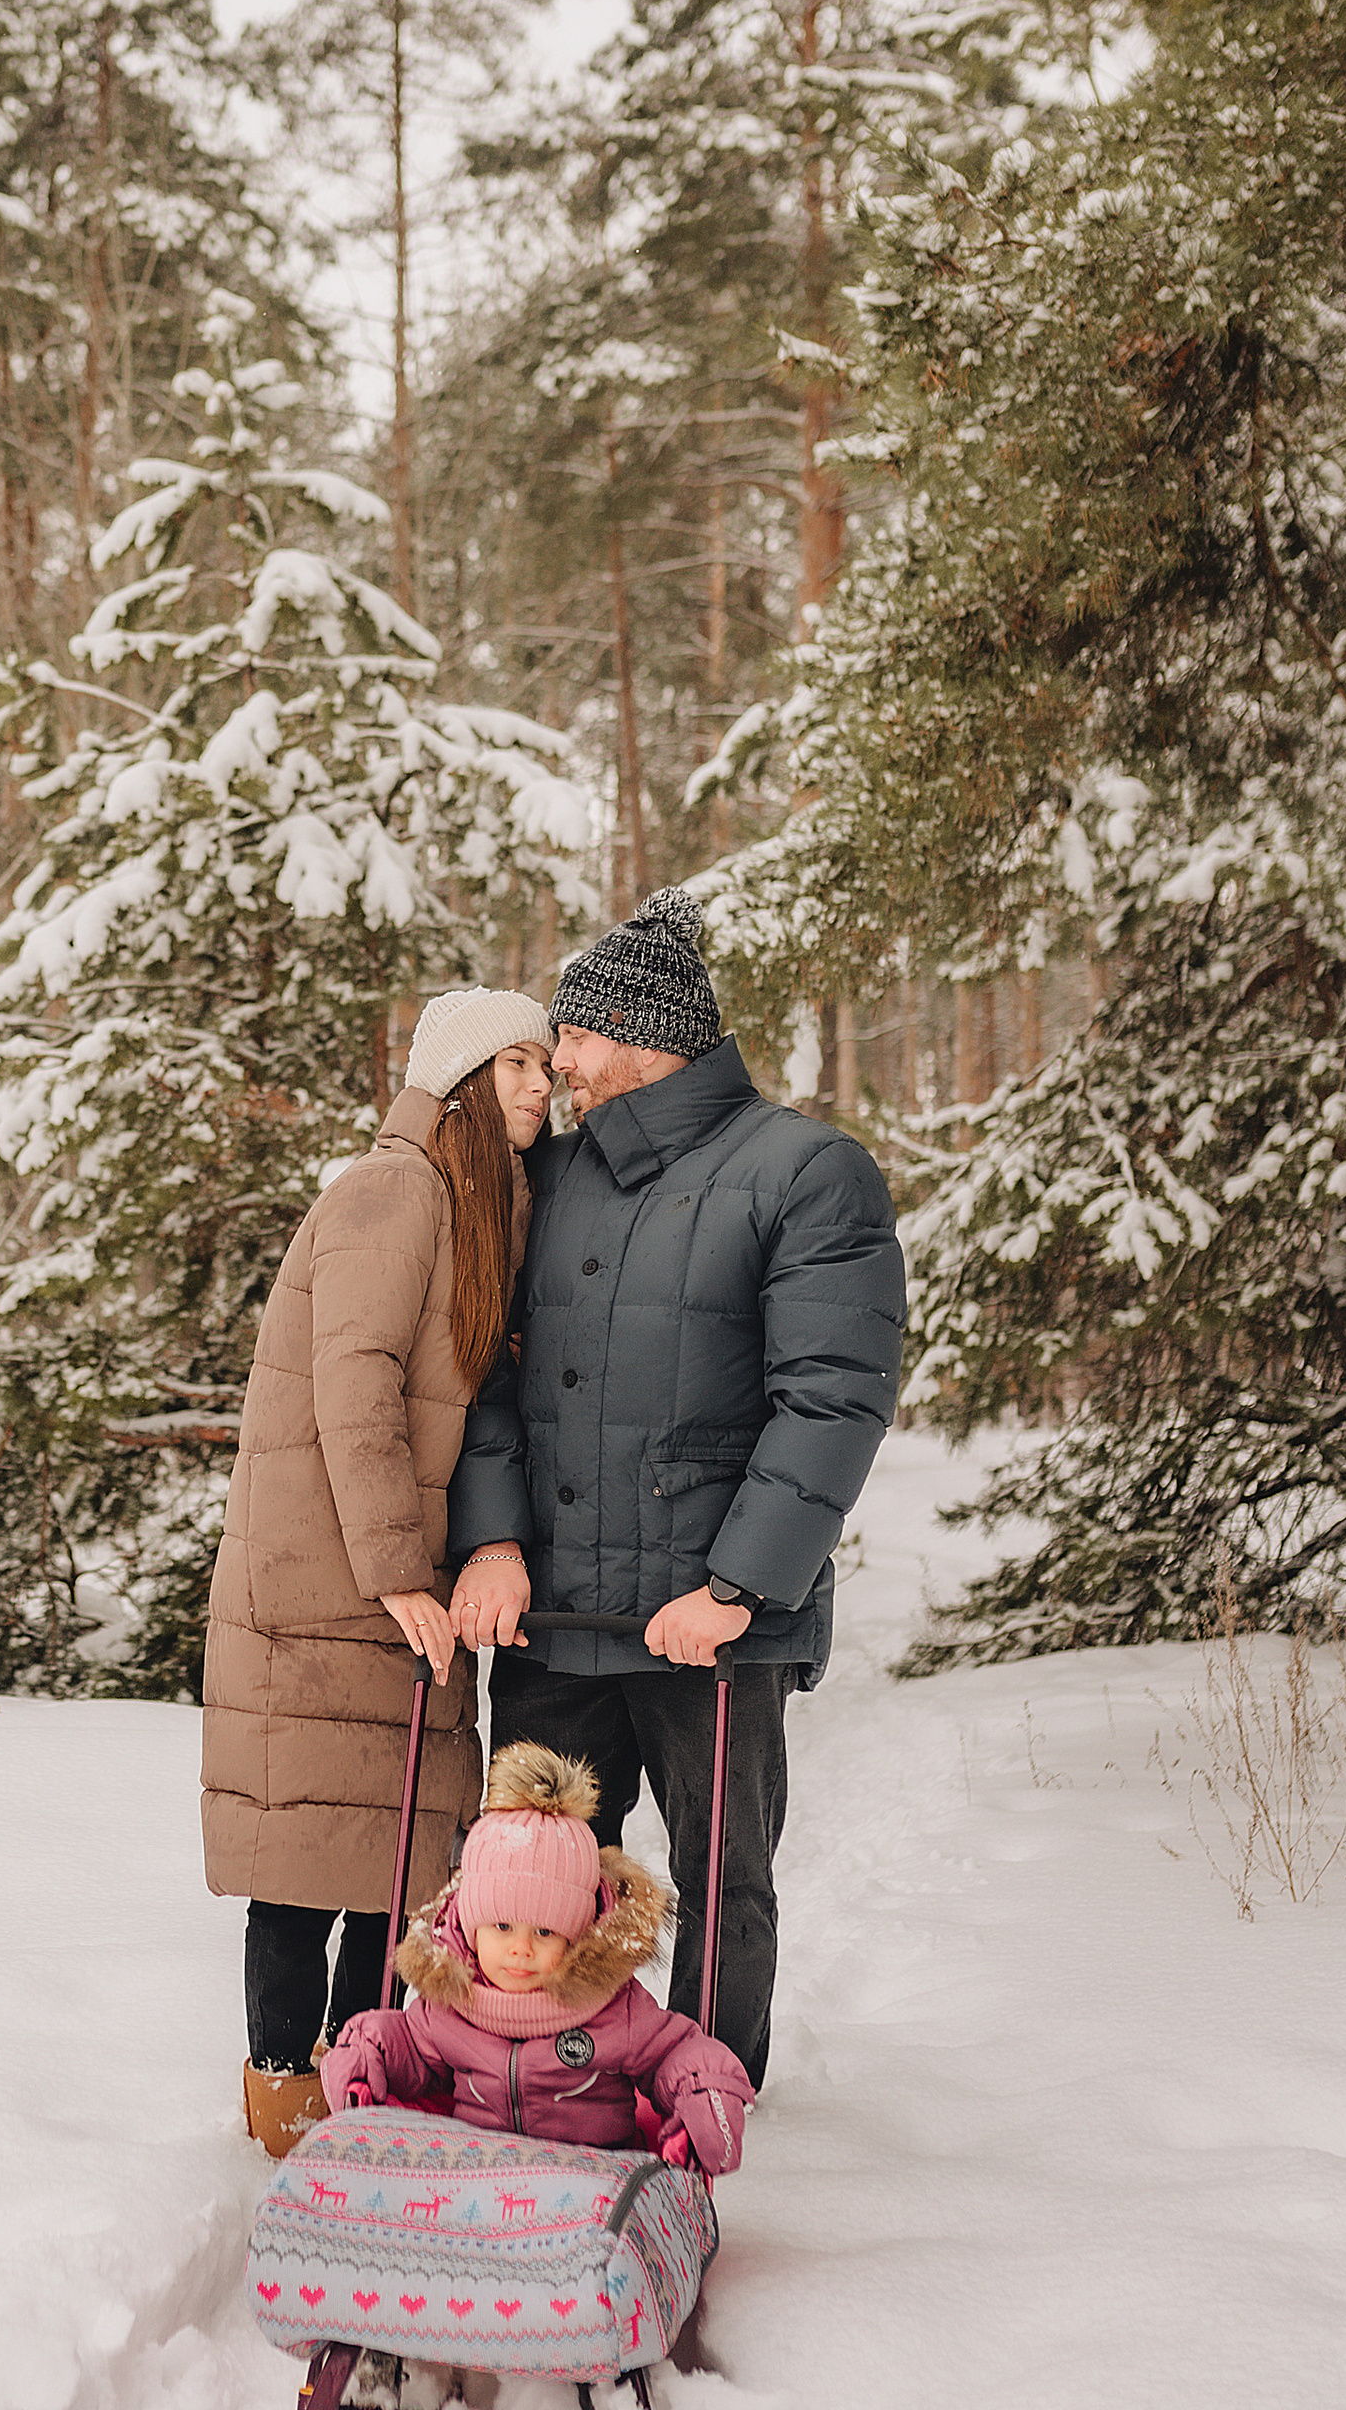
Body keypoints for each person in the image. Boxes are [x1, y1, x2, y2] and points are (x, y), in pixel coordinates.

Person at [448, 888, 905, 2091]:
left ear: (642, 1038)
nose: (558, 1062)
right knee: (530, 1881)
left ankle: (695, 2109)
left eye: (575, 1037)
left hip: (707, 1625)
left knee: (720, 1884)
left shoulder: (806, 1172)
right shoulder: (545, 1178)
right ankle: (541, 2090)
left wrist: (737, 1584)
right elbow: (484, 1378)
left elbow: (832, 1400)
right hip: (558, 1620)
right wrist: (492, 1543)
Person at [204, 988, 557, 2157]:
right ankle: (279, 2092)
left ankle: (360, 2082)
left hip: (393, 1594)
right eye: (513, 1064)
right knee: (305, 1855)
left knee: (389, 1858)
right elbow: (351, 1389)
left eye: (545, 1069)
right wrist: (402, 1570)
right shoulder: (390, 1192)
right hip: (331, 1592)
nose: (536, 1087)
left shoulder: (471, 1208)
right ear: (459, 1076)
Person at [321, 1743, 752, 2173]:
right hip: (477, 2181)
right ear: (470, 1928)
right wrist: (365, 2054)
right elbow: (406, 2047)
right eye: (502, 1927)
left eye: (545, 1932)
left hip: (593, 2185)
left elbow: (676, 2051)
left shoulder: (611, 2008)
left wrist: (703, 2092)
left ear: (579, 1936)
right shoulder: (453, 2006)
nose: (521, 1949)